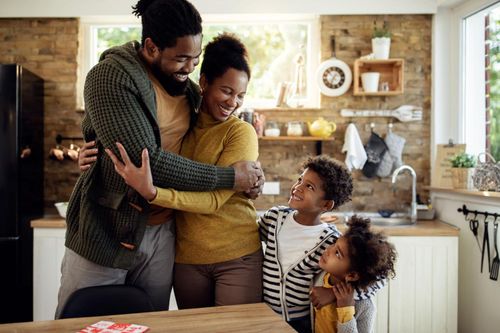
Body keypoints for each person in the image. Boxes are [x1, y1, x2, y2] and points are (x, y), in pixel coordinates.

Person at [55, 0, 263, 319]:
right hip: (106, 229)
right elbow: (148, 160)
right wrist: (231, 177)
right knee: (83, 322)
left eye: (195, 59)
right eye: (181, 58)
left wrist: (252, 178)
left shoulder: (189, 91)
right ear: (151, 47)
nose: (189, 68)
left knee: (150, 323)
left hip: (162, 233)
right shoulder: (111, 76)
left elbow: (214, 130)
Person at [98, 33, 263, 308]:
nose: (233, 102)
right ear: (204, 82)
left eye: (241, 96)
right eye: (226, 91)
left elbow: (213, 201)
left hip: (237, 255)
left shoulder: (240, 132)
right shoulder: (183, 124)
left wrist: (153, 193)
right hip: (187, 259)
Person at [257, 156, 384, 333]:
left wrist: (332, 294)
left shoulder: (331, 241)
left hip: (303, 323)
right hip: (264, 317)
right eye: (300, 179)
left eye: (309, 186)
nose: (298, 187)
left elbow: (377, 280)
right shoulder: (274, 218)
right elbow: (249, 238)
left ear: (326, 204)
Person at [312, 215, 397, 333]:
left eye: (337, 254)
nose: (328, 250)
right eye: (334, 244)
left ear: (351, 275)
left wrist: (345, 309)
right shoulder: (322, 277)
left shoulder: (365, 308)